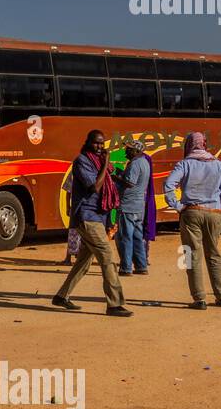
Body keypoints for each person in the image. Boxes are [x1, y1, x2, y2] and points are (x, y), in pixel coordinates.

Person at [53, 130, 132, 317]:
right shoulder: (81, 161)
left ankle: (61, 296)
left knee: (83, 262)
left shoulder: (99, 162)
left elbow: (109, 181)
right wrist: (105, 164)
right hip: (86, 216)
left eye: (102, 143)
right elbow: (95, 187)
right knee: (107, 258)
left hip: (98, 216)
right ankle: (114, 304)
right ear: (88, 142)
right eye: (96, 143)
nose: (99, 147)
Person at [164, 131, 221, 310]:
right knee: (213, 255)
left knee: (192, 255)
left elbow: (168, 185)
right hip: (214, 213)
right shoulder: (218, 165)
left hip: (191, 213)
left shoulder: (184, 164)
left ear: (189, 145)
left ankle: (199, 299)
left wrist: (178, 205)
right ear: (204, 144)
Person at [115, 139, 151, 276]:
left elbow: (130, 183)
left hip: (128, 206)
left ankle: (126, 267)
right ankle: (141, 266)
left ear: (136, 151)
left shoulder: (135, 163)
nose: (126, 151)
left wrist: (115, 177)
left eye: (129, 149)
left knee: (125, 237)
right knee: (137, 236)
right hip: (138, 206)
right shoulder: (144, 162)